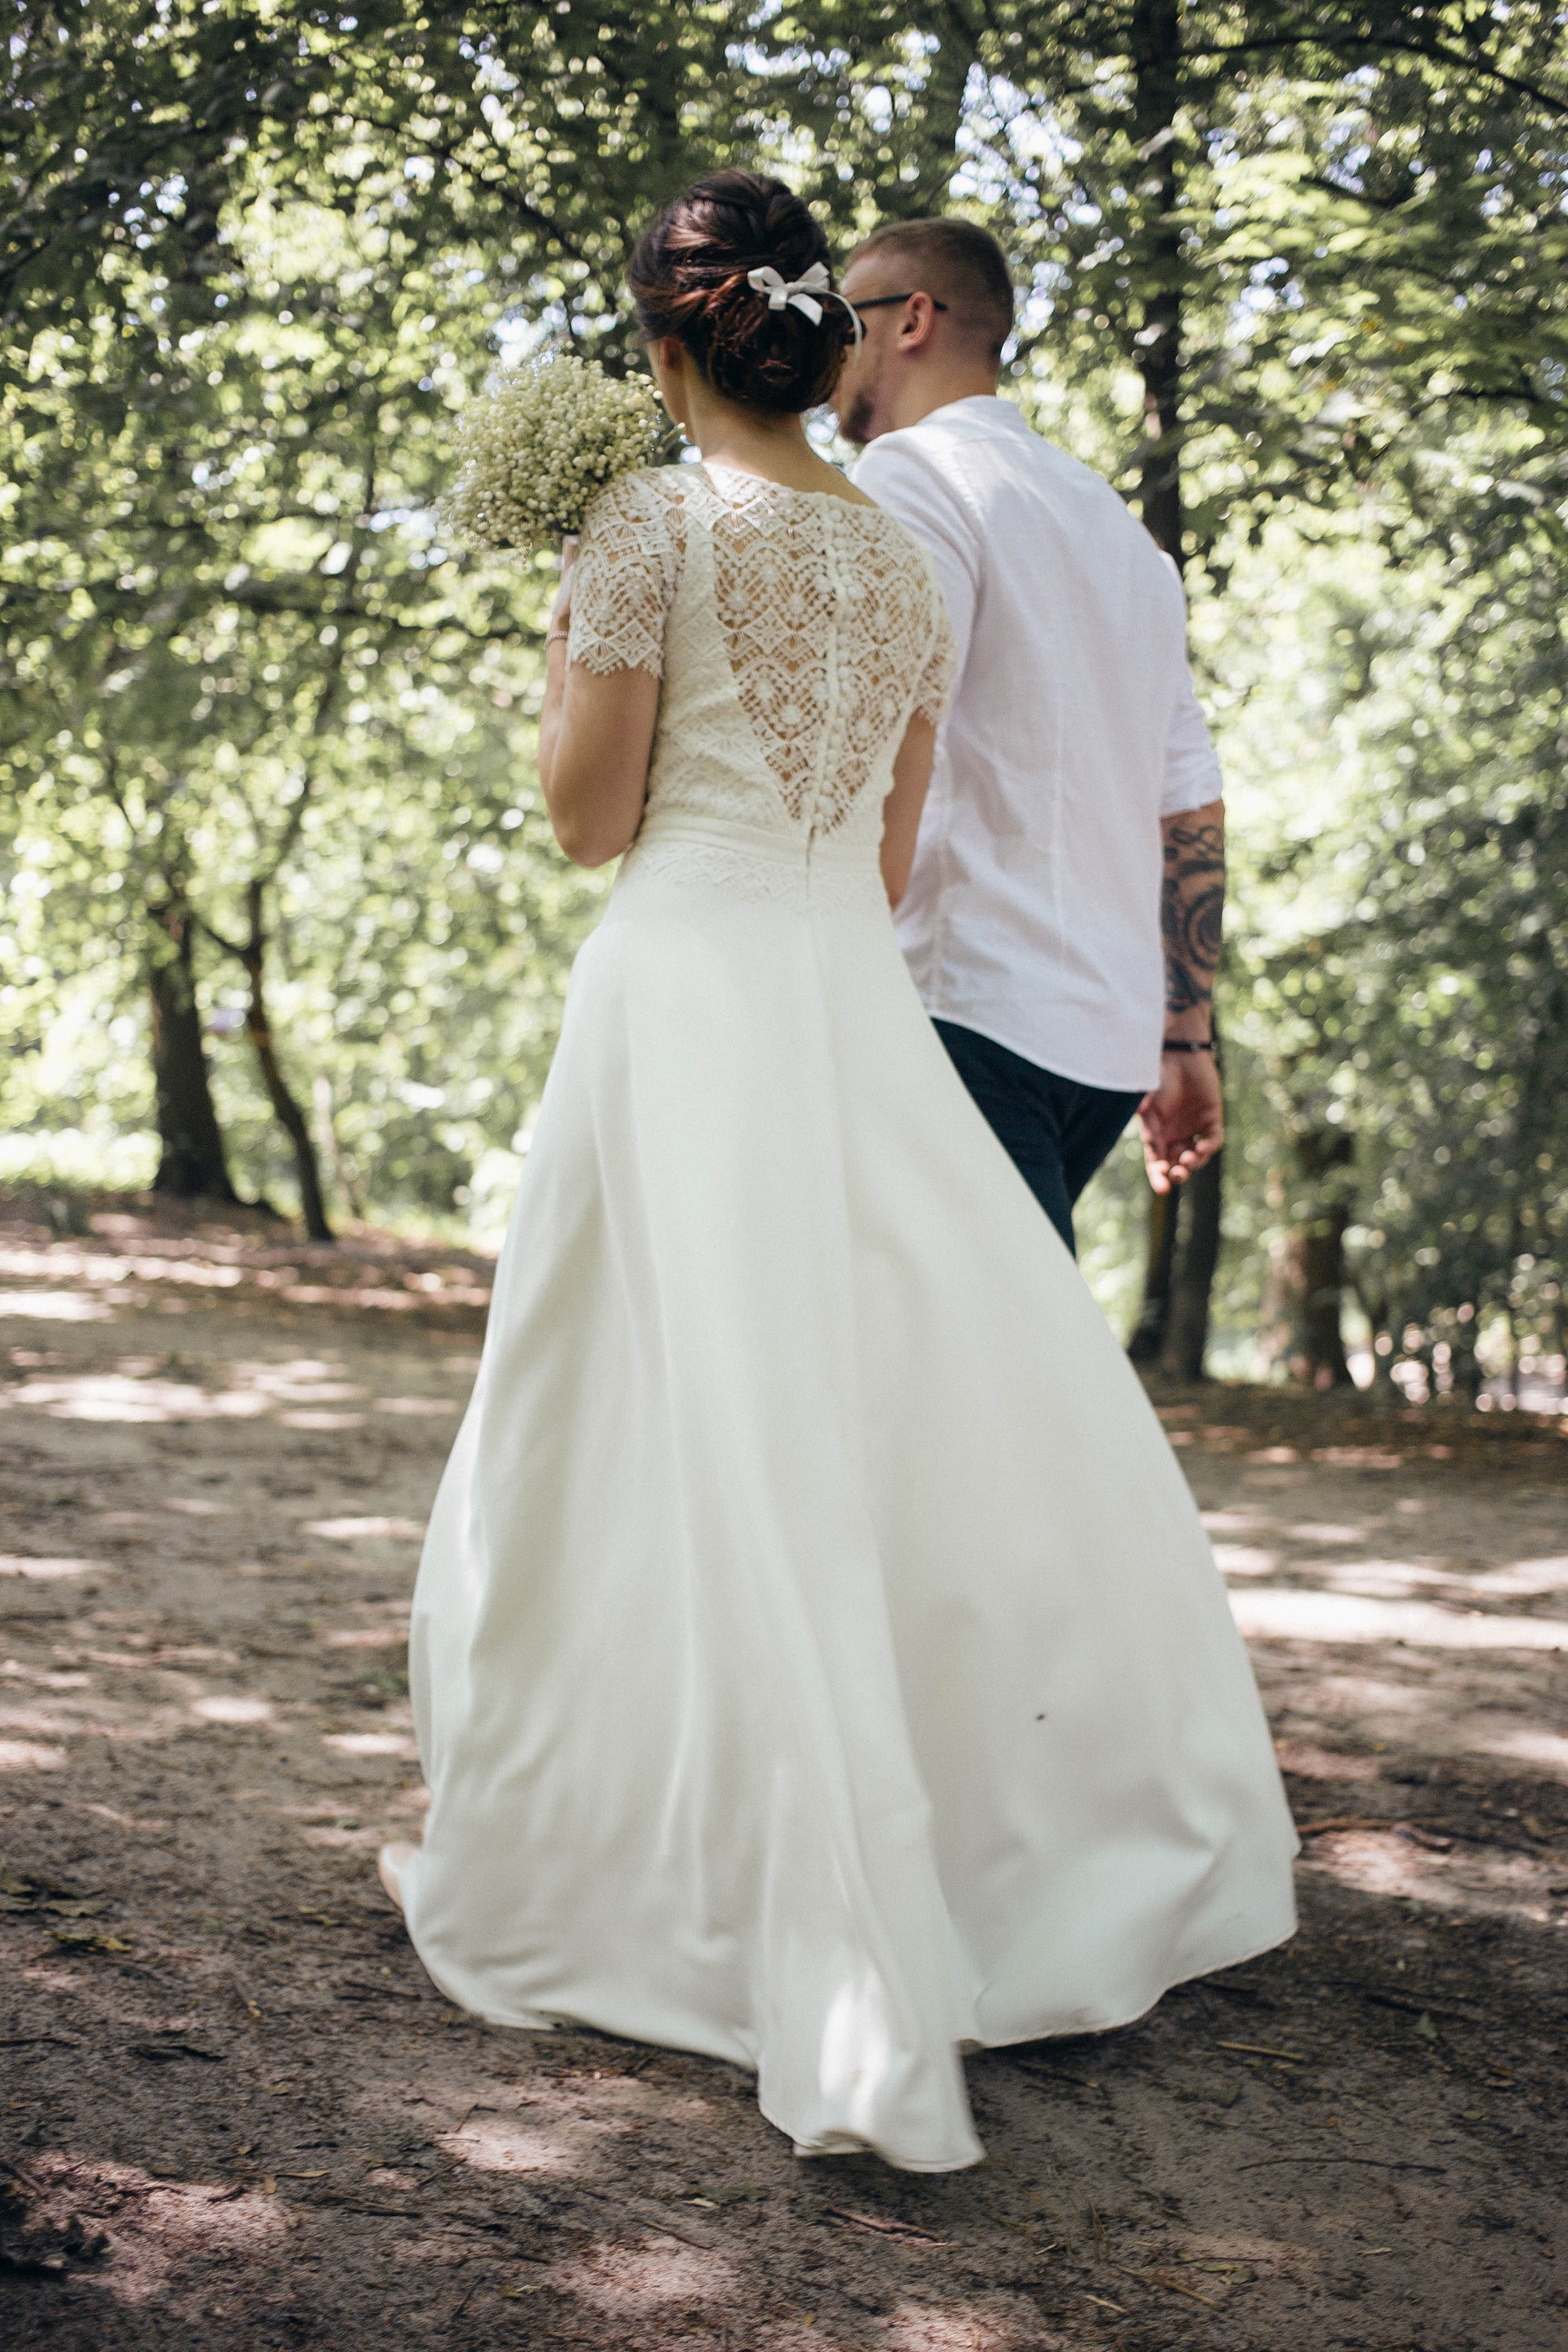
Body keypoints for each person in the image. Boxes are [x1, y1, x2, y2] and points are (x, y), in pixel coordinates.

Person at [379, 171, 1296, 2174]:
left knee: (629, 1400)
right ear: (813, 329)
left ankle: (645, 1839)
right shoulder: (885, 554)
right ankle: (965, 1822)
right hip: (842, 1002)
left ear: (659, 338)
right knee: (875, 1412)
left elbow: (587, 820)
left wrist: (568, 658)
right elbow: (885, 864)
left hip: (683, 989)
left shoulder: (643, 522)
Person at [834, 218, 1226, 1256]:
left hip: (961, 1007)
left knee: (989, 1384)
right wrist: (1186, 1036)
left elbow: (879, 734)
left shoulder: (911, 476)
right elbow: (1191, 801)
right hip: (1103, 1043)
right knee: (957, 1359)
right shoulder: (1117, 531)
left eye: (844, 318)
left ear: (912, 319)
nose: (826, 350)